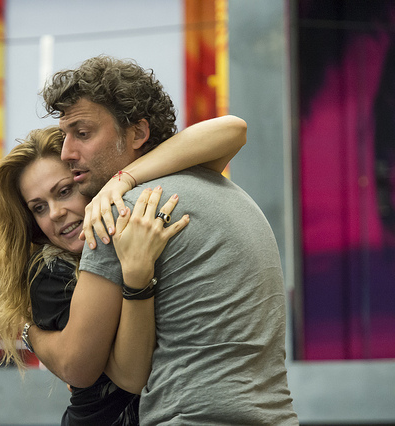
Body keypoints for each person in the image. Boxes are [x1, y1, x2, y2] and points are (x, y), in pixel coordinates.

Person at [27, 55, 299, 425]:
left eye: (83, 133)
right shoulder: (219, 187)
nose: (66, 152)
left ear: (138, 133)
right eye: (64, 136)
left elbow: (83, 366)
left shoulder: (120, 211)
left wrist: (28, 331)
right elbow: (232, 129)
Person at [0, 116, 247, 425]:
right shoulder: (51, 273)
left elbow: (233, 130)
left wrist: (123, 180)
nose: (55, 213)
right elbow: (126, 375)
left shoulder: (135, 209)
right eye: (39, 207)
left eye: (64, 191)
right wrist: (136, 278)